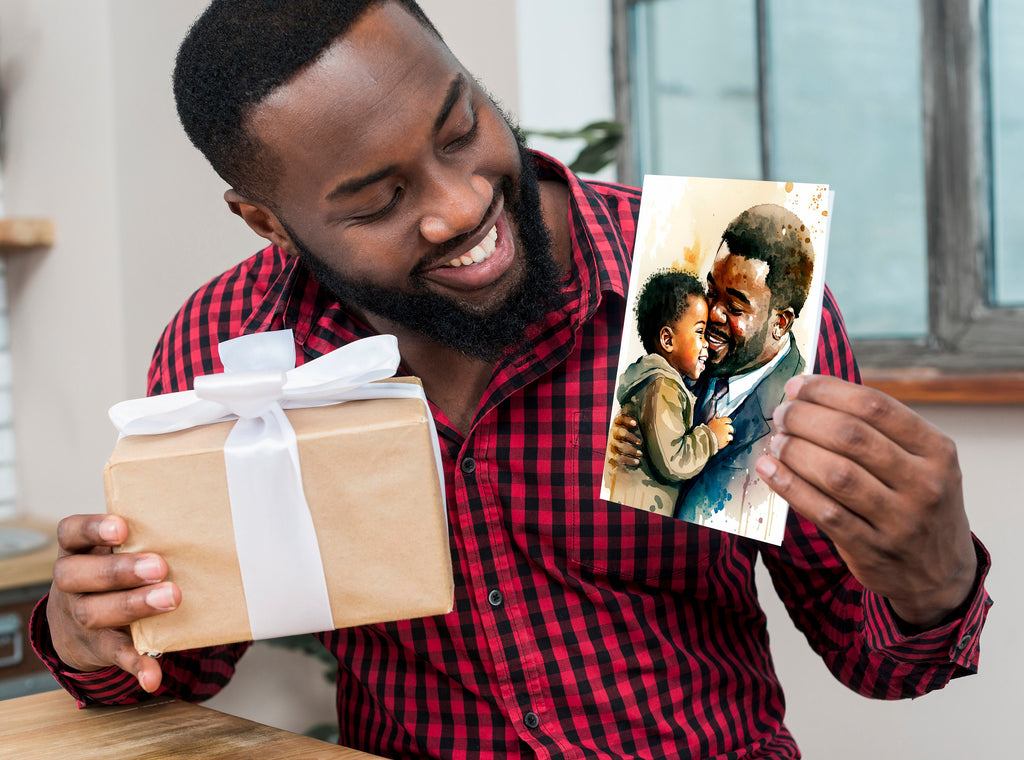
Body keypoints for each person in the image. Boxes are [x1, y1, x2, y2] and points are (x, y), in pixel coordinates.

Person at [32, 1, 991, 758]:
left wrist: (933, 573)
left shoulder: (712, 287)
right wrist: (92, 634)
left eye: (460, 130)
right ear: (266, 223)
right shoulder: (234, 344)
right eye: (378, 200)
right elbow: (181, 668)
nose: (459, 208)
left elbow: (879, 660)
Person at [604, 269, 733, 517]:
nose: (707, 342)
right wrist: (710, 438)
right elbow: (673, 461)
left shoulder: (656, 381)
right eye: (699, 332)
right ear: (668, 339)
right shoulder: (664, 386)